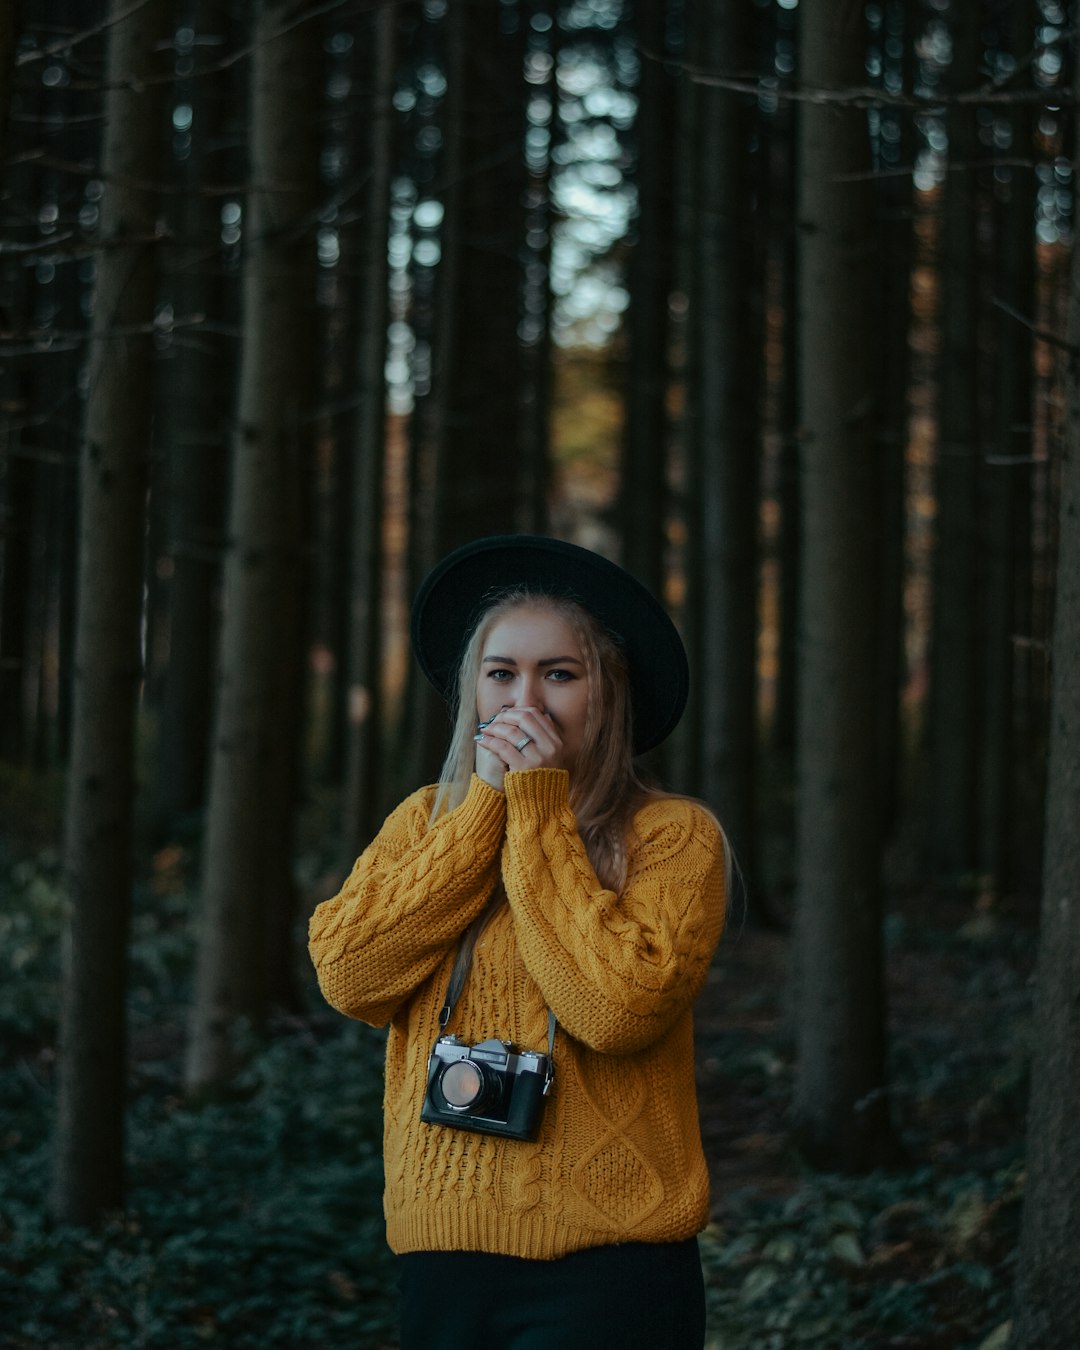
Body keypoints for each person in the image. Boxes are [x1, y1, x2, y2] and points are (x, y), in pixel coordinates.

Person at [308, 534, 728, 1350]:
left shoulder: (672, 837)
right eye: (501, 674)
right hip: (443, 1255)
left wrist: (538, 809)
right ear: (472, 690)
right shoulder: (423, 822)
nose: (523, 701)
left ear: (607, 694)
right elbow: (351, 976)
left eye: (559, 674)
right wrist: (481, 815)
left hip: (615, 1262)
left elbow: (616, 1011)